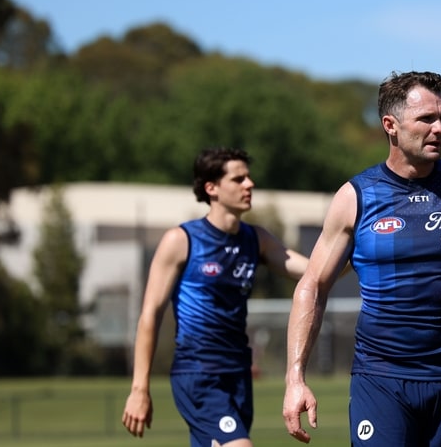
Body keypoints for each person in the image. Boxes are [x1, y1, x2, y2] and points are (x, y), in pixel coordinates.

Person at [281, 70, 441, 446]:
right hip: (382, 380)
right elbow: (313, 285)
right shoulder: (356, 197)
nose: (439, 128)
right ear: (391, 125)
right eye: (426, 119)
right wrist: (295, 377)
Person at [121, 147, 309, 447]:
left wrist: (360, 248)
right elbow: (149, 317)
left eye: (248, 177)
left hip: (238, 375)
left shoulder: (256, 239)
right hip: (198, 373)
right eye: (238, 179)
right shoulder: (181, 241)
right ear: (212, 188)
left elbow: (312, 272)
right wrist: (139, 388)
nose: (250, 184)